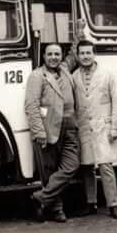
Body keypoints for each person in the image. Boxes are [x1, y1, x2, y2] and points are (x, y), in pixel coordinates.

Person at [24, 43, 80, 222]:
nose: (54, 57)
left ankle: (40, 197)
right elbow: (31, 105)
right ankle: (57, 210)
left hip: (70, 126)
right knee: (49, 171)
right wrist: (39, 132)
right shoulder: (37, 76)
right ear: (44, 57)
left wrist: (79, 34)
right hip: (48, 128)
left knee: (72, 165)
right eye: (50, 54)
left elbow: (74, 54)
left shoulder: (64, 69)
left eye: (57, 54)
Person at [71, 40, 117, 219]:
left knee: (105, 165)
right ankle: (91, 203)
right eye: (82, 53)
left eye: (88, 53)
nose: (85, 56)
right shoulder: (74, 76)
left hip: (103, 125)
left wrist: (115, 126)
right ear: (77, 55)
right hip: (84, 126)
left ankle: (113, 204)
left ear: (94, 54)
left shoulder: (107, 74)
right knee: (87, 167)